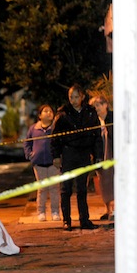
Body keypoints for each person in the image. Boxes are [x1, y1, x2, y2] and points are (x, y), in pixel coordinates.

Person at [51, 84, 102, 231]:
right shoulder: (63, 114)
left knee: (82, 189)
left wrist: (98, 156)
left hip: (84, 154)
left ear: (82, 97)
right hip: (68, 153)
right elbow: (55, 137)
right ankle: (66, 220)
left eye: (76, 97)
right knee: (66, 189)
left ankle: (84, 220)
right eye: (71, 97)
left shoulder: (90, 113)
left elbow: (97, 136)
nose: (73, 100)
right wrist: (56, 156)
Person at [24, 104, 61, 222]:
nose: (48, 113)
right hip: (39, 164)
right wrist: (30, 154)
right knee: (42, 189)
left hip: (54, 163)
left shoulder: (56, 128)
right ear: (40, 115)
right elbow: (27, 143)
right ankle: (41, 212)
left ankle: (55, 212)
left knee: (54, 188)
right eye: (45, 111)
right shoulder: (33, 129)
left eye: (50, 111)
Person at [90, 95, 114, 220]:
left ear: (105, 105)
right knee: (103, 181)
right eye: (94, 107)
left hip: (112, 154)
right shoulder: (94, 122)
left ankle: (116, 209)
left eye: (98, 105)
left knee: (114, 180)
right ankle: (108, 209)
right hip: (100, 156)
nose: (96, 109)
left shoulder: (113, 118)